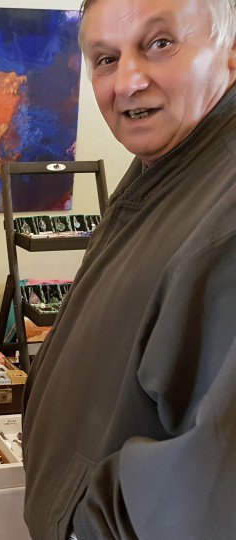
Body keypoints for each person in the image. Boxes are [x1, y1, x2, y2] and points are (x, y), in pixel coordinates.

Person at [22, 0, 236, 539]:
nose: (127, 83)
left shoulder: (225, 210)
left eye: (160, 43)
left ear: (230, 52)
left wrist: (84, 525)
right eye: (105, 59)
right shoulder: (166, 164)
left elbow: (211, 488)